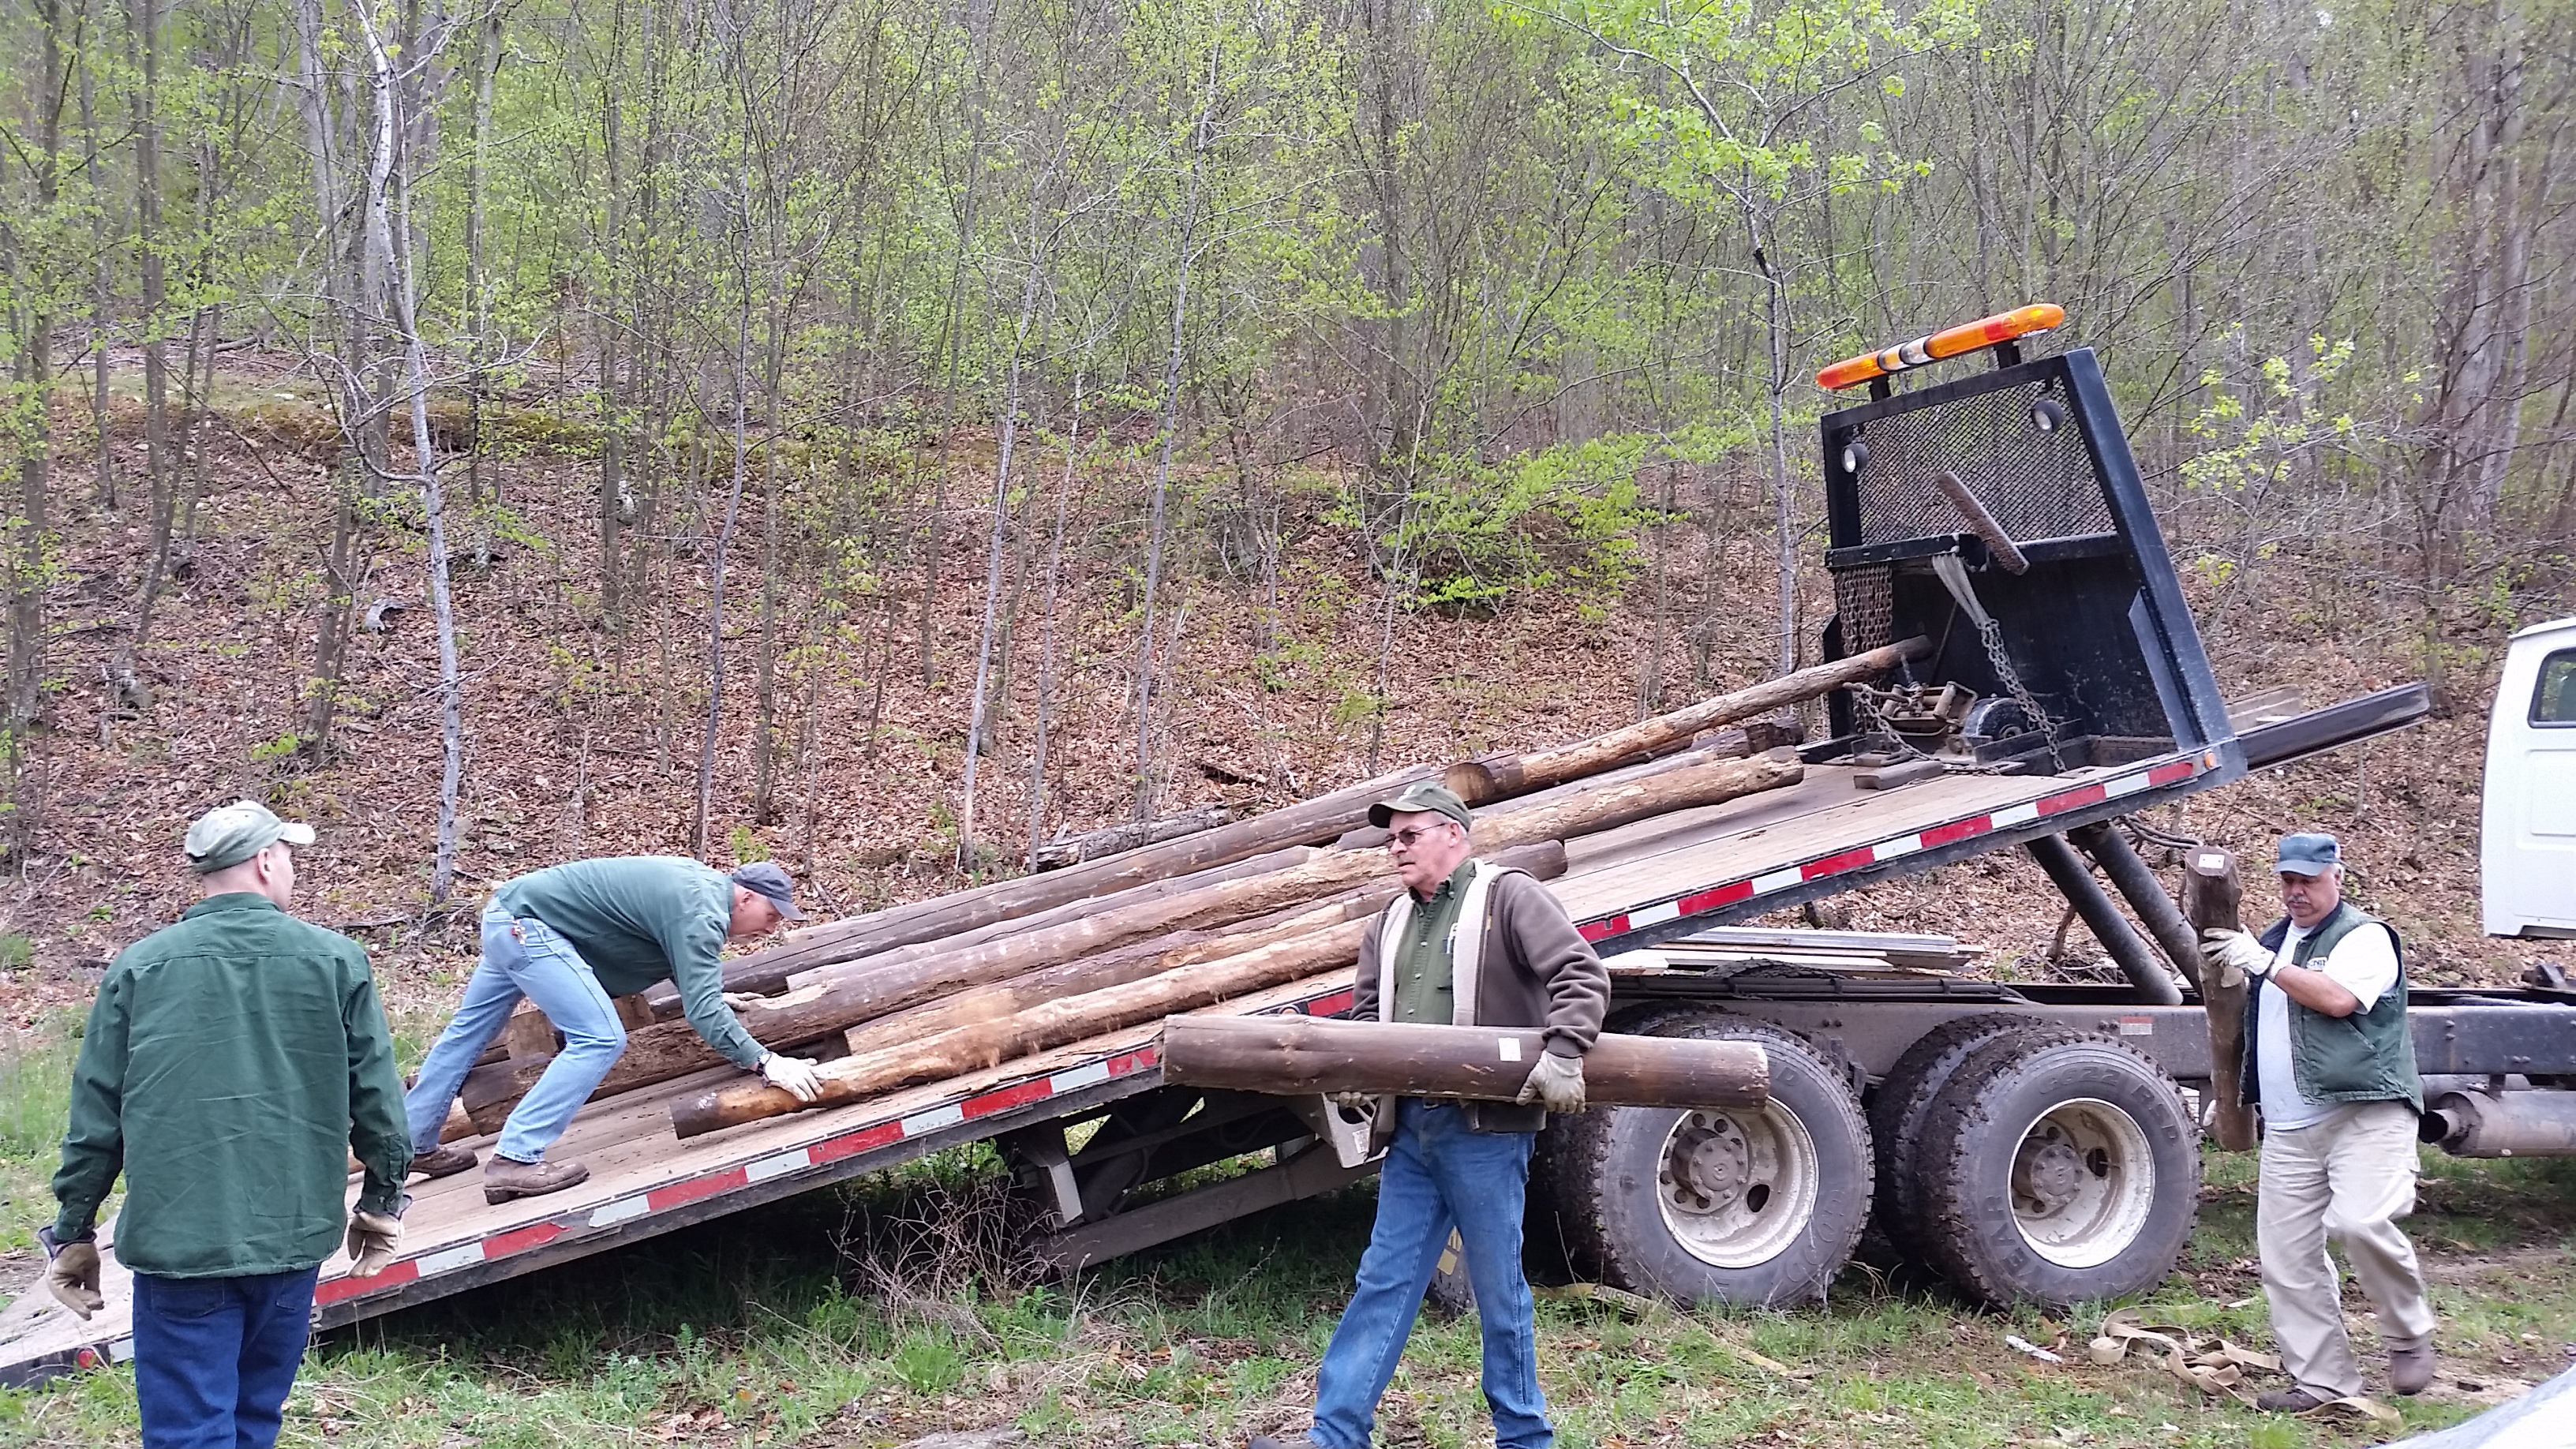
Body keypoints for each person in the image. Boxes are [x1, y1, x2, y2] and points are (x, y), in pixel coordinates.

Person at [1252, 781, 1609, 1449]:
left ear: (1453, 833)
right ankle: (1336, 1434)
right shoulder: (1388, 922)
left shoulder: (1508, 897)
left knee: (1499, 1292)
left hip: (1485, 1132)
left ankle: (1525, 1438)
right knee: (1383, 1281)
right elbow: (1364, 1019)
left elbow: (1581, 975)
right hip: (1413, 1132)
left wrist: (1564, 1053)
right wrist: (1357, 1076)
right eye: (1391, 838)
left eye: (1408, 835)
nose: (1396, 848)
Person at [44, 800, 411, 1449]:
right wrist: (381, 1204)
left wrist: (73, 1231)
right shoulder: (334, 961)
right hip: (292, 1235)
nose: (293, 868)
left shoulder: (140, 967)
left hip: (181, 1244)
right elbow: (378, 1099)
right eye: (290, 856)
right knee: (253, 1420)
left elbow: (96, 1117)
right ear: (266, 861)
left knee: (191, 1429)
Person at [402, 856, 827, 1202]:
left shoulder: (699, 888)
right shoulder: (702, 910)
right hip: (531, 927)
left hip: (510, 916)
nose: (772, 928)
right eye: (771, 915)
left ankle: (410, 1146)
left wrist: (714, 996)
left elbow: (679, 956)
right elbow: (699, 1001)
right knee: (599, 1037)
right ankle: (515, 1158)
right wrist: (767, 1063)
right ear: (746, 897)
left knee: (467, 1035)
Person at [2201, 832, 2437, 1412]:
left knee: (2360, 1224)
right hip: (2289, 1127)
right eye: (2288, 880)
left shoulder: (2364, 937)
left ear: (2337, 876)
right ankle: (2322, 1382)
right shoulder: (2275, 940)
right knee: (2286, 1258)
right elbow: (2257, 1028)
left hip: (2365, 1113)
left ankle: (2408, 1333)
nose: (2296, 892)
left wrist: (2263, 963)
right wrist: (2234, 1099)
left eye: (2308, 880)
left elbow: (2334, 1000)